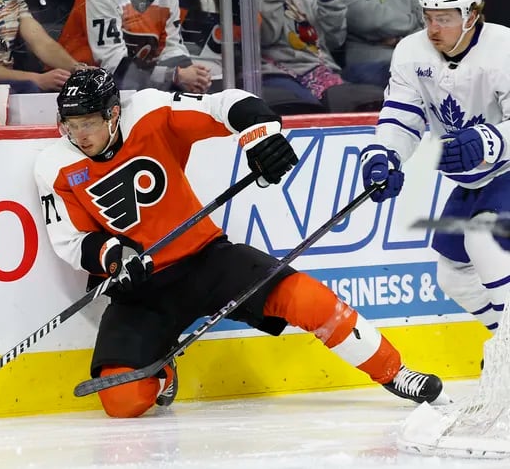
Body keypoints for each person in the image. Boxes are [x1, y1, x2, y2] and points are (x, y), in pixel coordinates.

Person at [33, 68, 447, 418]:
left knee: (307, 300)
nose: (80, 134)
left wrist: (260, 134)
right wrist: (115, 255)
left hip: (206, 258)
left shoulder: (151, 111)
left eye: (89, 122)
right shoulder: (54, 164)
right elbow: (71, 240)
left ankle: (395, 372)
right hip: (141, 288)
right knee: (122, 402)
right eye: (71, 125)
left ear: (114, 113)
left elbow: (224, 104)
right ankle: (163, 366)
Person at [359, 0, 509, 337]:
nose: (433, 29)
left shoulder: (504, 48)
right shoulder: (411, 52)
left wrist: (489, 140)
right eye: (428, 18)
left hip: (506, 172)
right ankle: (503, 346)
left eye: (444, 18)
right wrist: (383, 155)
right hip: (474, 183)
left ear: (471, 15)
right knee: (454, 276)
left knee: (482, 238)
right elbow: (401, 117)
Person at [58, 0, 212, 93]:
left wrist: (193, 77)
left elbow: (172, 49)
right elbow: (114, 64)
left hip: (135, 86)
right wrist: (175, 75)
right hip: (80, 85)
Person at [258, 0, 384, 112]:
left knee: (390, 75)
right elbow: (266, 36)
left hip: (324, 72)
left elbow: (335, 39)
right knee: (307, 106)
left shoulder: (305, 0)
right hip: (278, 73)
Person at [334, 0, 423, 88]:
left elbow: (429, 18)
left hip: (413, 59)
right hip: (370, 64)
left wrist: (401, 41)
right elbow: (372, 20)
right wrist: (414, 22)